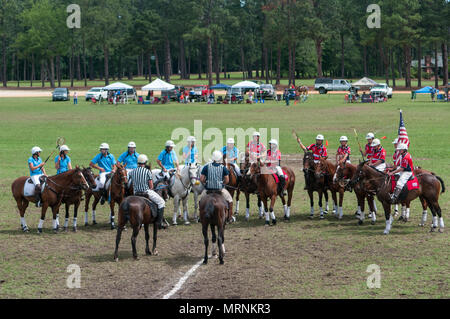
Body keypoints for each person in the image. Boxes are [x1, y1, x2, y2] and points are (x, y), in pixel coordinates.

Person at [129, 154, 166, 229]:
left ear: (138, 162)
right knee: (161, 202)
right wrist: (152, 188)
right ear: (145, 162)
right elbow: (151, 186)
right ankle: (159, 223)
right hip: (146, 192)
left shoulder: (132, 172)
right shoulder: (147, 171)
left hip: (135, 193)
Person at [200, 150, 233, 221]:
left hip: (208, 190)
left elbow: (202, 179)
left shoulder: (206, 167)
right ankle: (230, 217)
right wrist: (222, 183)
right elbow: (227, 180)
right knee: (230, 200)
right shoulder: (223, 168)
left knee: (201, 200)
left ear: (213, 159)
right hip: (219, 190)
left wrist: (206, 182)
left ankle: (201, 216)